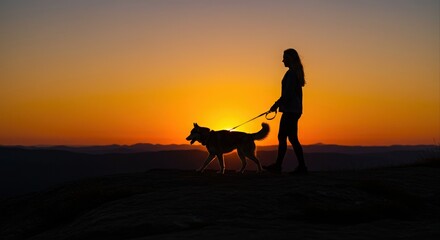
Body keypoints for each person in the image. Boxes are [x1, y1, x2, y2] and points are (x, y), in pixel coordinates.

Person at [263, 48, 308, 174]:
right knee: (291, 138)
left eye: (284, 57)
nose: (282, 60)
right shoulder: (293, 73)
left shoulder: (292, 74)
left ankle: (281, 166)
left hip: (290, 110)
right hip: (294, 110)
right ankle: (300, 167)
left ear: (290, 59)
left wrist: (275, 105)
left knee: (284, 137)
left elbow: (287, 94)